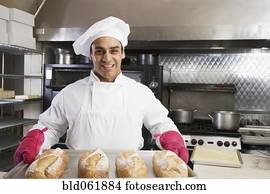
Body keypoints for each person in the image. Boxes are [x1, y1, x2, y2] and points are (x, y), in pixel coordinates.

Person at [14, 16, 189, 164]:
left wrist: (171, 137)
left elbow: (160, 123)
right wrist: (34, 139)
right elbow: (49, 127)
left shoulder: (140, 93)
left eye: (114, 50)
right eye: (99, 51)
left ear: (122, 54)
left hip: (127, 171)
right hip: (79, 173)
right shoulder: (70, 93)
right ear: (91, 54)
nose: (107, 58)